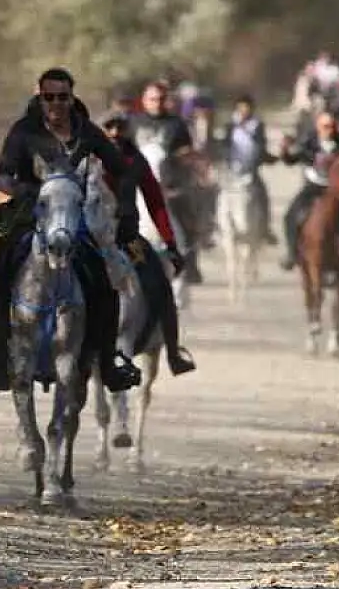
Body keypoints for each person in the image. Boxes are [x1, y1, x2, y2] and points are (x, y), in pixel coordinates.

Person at [0, 67, 140, 399]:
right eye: (49, 97)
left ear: (72, 97)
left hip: (77, 219)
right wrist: (24, 191)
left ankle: (108, 363)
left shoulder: (87, 132)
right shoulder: (24, 132)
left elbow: (123, 171)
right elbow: (1, 175)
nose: (56, 104)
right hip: (32, 217)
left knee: (105, 283)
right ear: (39, 97)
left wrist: (127, 214)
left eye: (62, 97)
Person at [101, 110, 197, 375]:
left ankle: (174, 352)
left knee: (160, 284)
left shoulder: (136, 161)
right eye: (109, 127)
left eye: (120, 127)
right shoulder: (87, 159)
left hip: (128, 239)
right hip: (91, 238)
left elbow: (156, 203)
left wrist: (171, 244)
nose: (115, 133)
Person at [129, 80, 205, 276]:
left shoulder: (176, 124)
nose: (157, 103)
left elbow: (187, 154)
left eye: (161, 99)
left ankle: (189, 258)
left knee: (187, 215)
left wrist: (184, 159)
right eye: (152, 99)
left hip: (170, 187)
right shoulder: (133, 123)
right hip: (138, 186)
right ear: (144, 100)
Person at [276, 110, 339, 271]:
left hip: (337, 189)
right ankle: (292, 252)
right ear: (318, 127)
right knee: (290, 215)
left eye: (331, 127)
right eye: (325, 127)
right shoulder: (309, 142)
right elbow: (292, 159)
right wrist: (284, 151)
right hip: (314, 186)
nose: (328, 130)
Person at [222, 94, 276, 246]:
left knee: (262, 195)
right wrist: (228, 162)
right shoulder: (230, 125)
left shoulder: (257, 126)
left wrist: (257, 161)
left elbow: (260, 147)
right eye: (241, 107)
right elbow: (225, 146)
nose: (244, 110)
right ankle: (214, 227)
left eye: (247, 107)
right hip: (232, 170)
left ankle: (265, 229)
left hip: (251, 171)